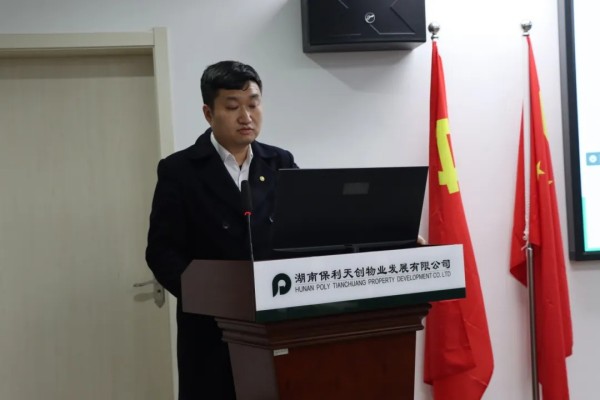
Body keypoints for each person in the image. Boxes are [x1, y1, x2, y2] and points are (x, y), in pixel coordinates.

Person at [145, 60, 298, 399]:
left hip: (276, 322)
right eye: (232, 107)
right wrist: (206, 296)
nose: (246, 116)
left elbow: (306, 229)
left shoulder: (281, 163)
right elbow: (162, 251)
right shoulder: (179, 170)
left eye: (253, 104)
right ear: (208, 113)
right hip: (211, 328)